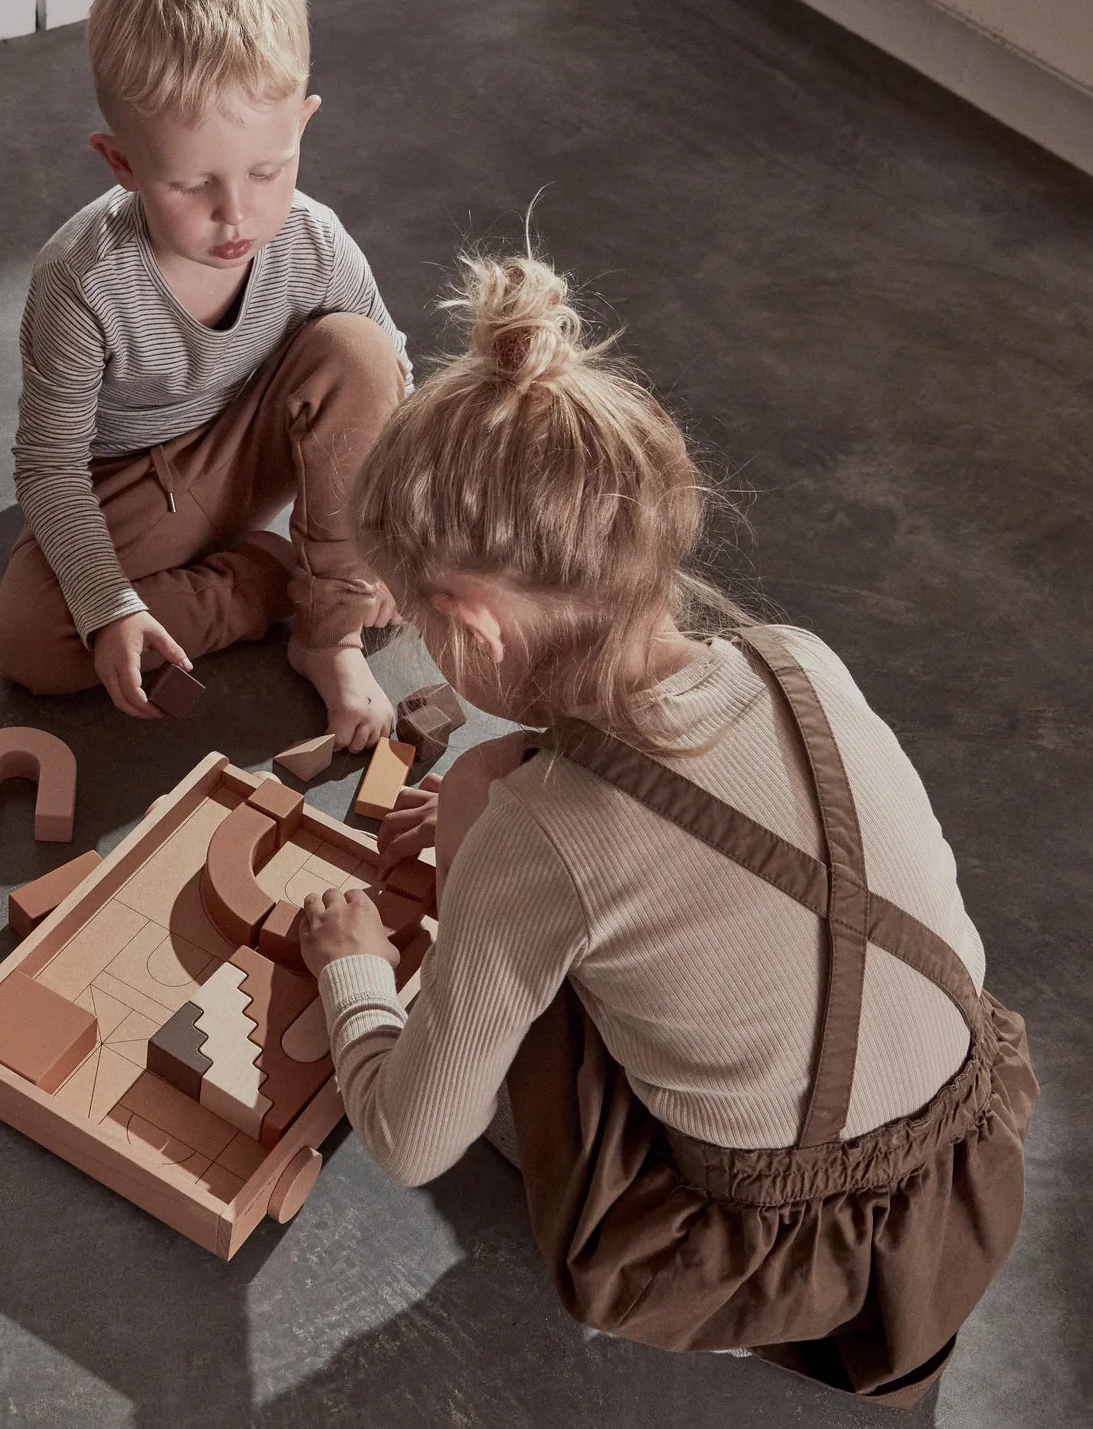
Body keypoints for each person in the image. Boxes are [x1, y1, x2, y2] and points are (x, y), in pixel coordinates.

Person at [298, 244, 1037, 1404]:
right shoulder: (791, 656)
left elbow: (408, 1139)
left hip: (784, 1254)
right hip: (972, 1164)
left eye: (420, 632)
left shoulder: (537, 843)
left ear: (473, 626)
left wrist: (354, 972)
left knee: (499, 983)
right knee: (532, 825)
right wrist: (491, 801)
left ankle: (738, 1329)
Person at [0, 0, 410, 750]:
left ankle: (326, 633)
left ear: (302, 126)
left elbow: (389, 386)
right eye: (192, 186)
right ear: (122, 163)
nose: (238, 215)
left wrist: (389, 541)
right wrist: (112, 606)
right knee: (33, 645)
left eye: (267, 170)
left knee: (359, 350)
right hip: (134, 481)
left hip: (264, 444)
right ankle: (261, 579)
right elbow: (50, 466)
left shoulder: (314, 242)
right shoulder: (80, 280)